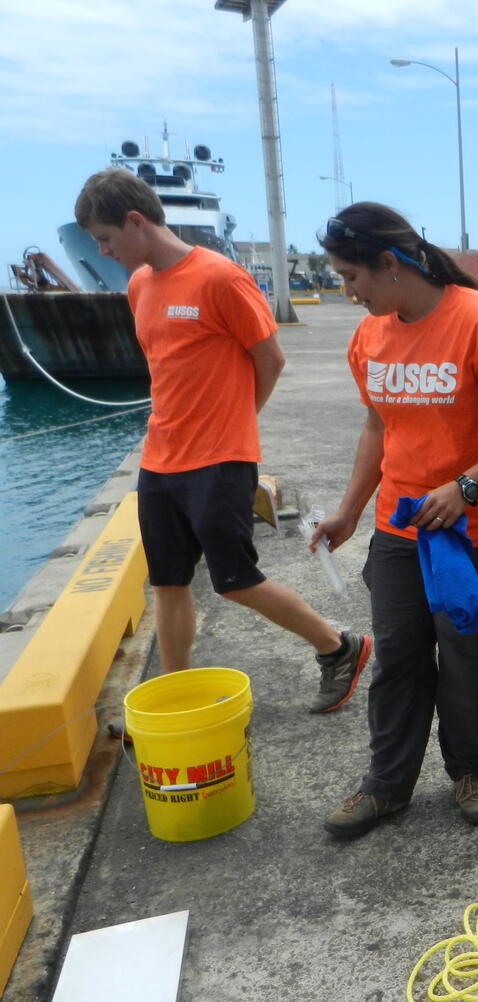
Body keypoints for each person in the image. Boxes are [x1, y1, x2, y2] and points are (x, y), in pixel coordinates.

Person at [74, 168, 370, 713]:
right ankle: (174, 694)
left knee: (235, 580)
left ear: (136, 222)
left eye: (106, 238)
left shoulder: (220, 278)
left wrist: (236, 422)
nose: (103, 249)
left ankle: (338, 645)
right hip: (160, 459)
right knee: (167, 581)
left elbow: (270, 359)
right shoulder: (140, 285)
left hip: (219, 460)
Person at [314, 203, 478, 838]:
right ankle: (387, 786)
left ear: (389, 264)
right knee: (398, 659)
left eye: (351, 275)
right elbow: (377, 426)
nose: (347, 289)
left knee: (471, 659)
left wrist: (468, 485)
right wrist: (349, 512)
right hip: (401, 529)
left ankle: (471, 769)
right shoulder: (370, 335)